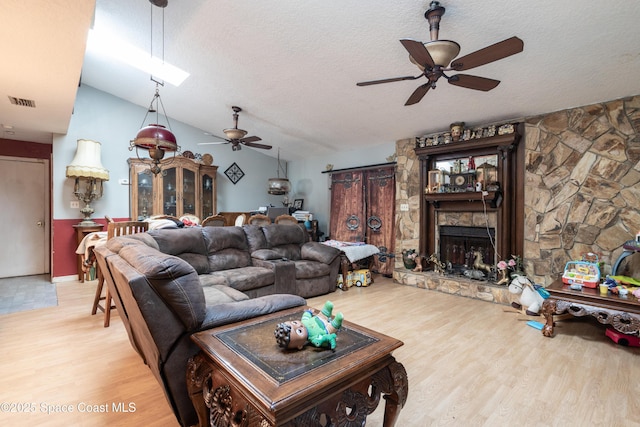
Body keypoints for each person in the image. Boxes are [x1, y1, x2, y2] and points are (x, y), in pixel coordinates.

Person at [274, 301, 343, 351]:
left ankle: (326, 311)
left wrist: (309, 312)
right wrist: (329, 339)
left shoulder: (304, 322)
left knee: (325, 311)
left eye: (295, 323)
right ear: (300, 346)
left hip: (320, 317)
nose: (300, 325)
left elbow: (306, 316)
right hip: (327, 328)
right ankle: (337, 321)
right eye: (299, 331)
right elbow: (322, 340)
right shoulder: (313, 338)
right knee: (334, 325)